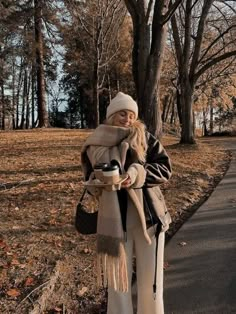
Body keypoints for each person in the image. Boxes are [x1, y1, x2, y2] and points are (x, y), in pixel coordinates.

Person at [81, 92, 172, 314]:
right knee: (117, 284)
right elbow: (89, 178)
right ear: (111, 115)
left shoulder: (144, 137)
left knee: (151, 283)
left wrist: (137, 173)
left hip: (149, 220)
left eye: (132, 115)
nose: (128, 119)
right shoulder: (96, 141)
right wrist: (99, 182)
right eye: (122, 113)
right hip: (115, 224)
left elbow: (165, 168)